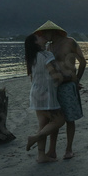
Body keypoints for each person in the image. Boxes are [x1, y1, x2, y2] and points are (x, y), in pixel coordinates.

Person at [33, 20, 86, 160]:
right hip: (54, 87)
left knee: (70, 118)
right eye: (42, 34)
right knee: (54, 119)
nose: (44, 35)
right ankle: (52, 151)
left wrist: (77, 81)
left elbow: (83, 62)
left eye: (46, 32)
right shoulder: (49, 48)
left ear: (53, 31)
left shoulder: (70, 42)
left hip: (68, 86)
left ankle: (68, 149)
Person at [24, 33, 67, 163]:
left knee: (43, 124)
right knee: (60, 120)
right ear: (36, 42)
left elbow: (31, 74)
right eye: (39, 36)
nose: (42, 36)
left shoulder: (31, 57)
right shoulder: (46, 55)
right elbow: (55, 75)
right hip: (47, 95)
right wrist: (64, 79)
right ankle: (35, 137)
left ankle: (41, 156)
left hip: (36, 94)